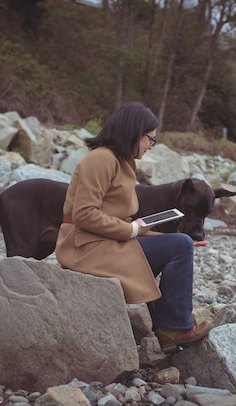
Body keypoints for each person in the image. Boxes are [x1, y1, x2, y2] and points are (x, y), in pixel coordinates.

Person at [55, 102, 212, 353]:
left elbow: (121, 222)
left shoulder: (120, 162)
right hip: (84, 246)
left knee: (180, 244)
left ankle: (171, 327)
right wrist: (131, 230)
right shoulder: (100, 160)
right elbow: (83, 215)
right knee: (179, 244)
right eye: (150, 139)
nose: (150, 146)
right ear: (134, 132)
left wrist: (156, 236)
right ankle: (173, 329)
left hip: (104, 242)